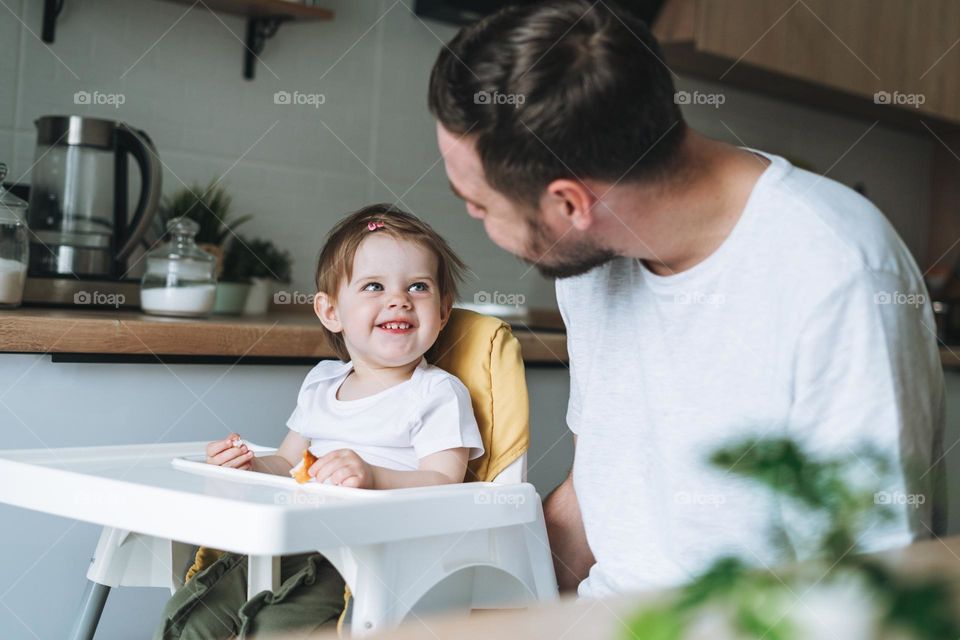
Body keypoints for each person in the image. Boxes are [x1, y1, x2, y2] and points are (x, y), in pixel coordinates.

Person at [428, 0, 945, 598]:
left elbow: (871, 584)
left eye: (479, 203)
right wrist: (482, 600)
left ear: (572, 206)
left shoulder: (838, 272)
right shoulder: (591, 265)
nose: (471, 215)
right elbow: (597, 497)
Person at [154, 205, 484, 639]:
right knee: (194, 614)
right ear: (331, 312)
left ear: (442, 312)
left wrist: (374, 477)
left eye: (418, 286)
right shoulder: (322, 382)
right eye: (374, 286)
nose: (399, 299)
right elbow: (289, 462)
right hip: (295, 538)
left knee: (275, 627)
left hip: (372, 555)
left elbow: (446, 483)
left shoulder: (437, 393)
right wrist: (248, 465)